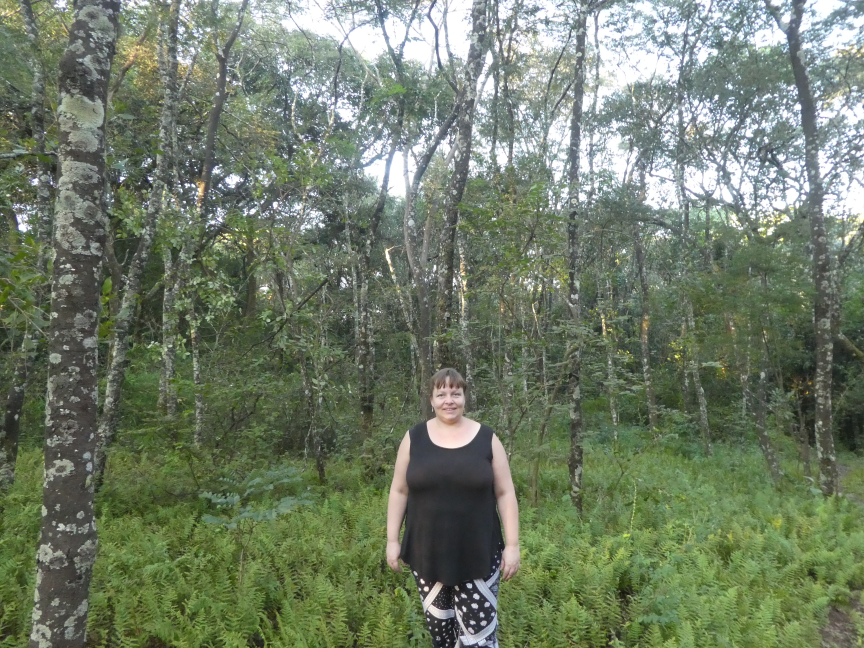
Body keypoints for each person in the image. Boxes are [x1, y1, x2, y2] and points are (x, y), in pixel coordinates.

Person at [386, 368, 520, 648]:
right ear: (431, 400)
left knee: (478, 639)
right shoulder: (414, 438)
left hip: (479, 555)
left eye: (456, 393)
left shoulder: (487, 438)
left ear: (464, 398)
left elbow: (505, 493)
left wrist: (512, 546)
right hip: (426, 554)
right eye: (442, 394)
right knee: (442, 635)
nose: (449, 400)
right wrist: (392, 540)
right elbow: (399, 490)